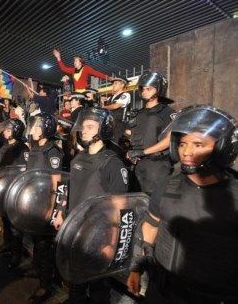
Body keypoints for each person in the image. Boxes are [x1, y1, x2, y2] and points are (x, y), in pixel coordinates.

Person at [127, 105, 238, 303]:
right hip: (162, 291)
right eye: (182, 144)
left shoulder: (234, 196)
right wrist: (137, 267)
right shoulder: (168, 184)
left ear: (222, 147)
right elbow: (151, 225)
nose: (187, 152)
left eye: (198, 145)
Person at [53, 107, 129, 303]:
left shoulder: (113, 163)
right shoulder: (78, 158)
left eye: (89, 127)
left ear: (103, 130)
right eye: (82, 127)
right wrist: (61, 213)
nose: (83, 131)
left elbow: (119, 208)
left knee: (98, 285)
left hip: (99, 234)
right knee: (76, 276)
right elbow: (68, 189)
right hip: (76, 228)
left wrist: (111, 243)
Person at [24, 113, 64, 303]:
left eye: (37, 127)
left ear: (46, 129)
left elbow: (57, 183)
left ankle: (45, 284)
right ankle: (38, 269)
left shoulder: (52, 152)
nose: (33, 130)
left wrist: (53, 208)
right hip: (33, 201)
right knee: (35, 239)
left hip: (45, 203)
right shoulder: (34, 149)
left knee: (44, 244)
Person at [125, 72, 176, 195]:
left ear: (159, 90)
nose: (144, 92)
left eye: (149, 89)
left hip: (157, 166)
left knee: (154, 202)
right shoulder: (138, 113)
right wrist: (129, 150)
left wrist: (143, 152)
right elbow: (129, 134)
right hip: (137, 164)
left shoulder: (167, 112)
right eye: (143, 89)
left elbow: (169, 140)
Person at [0, 118, 29, 269]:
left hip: (16, 188)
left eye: (8, 130)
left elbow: (25, 169)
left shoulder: (22, 148)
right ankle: (7, 244)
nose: (5, 132)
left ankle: (17, 253)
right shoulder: (4, 147)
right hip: (4, 187)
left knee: (15, 224)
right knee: (5, 220)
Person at [101, 77, 131, 143]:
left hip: (119, 124)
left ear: (122, 85)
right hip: (109, 124)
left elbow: (115, 106)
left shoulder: (125, 95)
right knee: (107, 142)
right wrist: (103, 103)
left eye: (115, 83)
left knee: (116, 143)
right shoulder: (110, 97)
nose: (113, 85)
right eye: (113, 84)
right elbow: (105, 109)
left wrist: (104, 107)